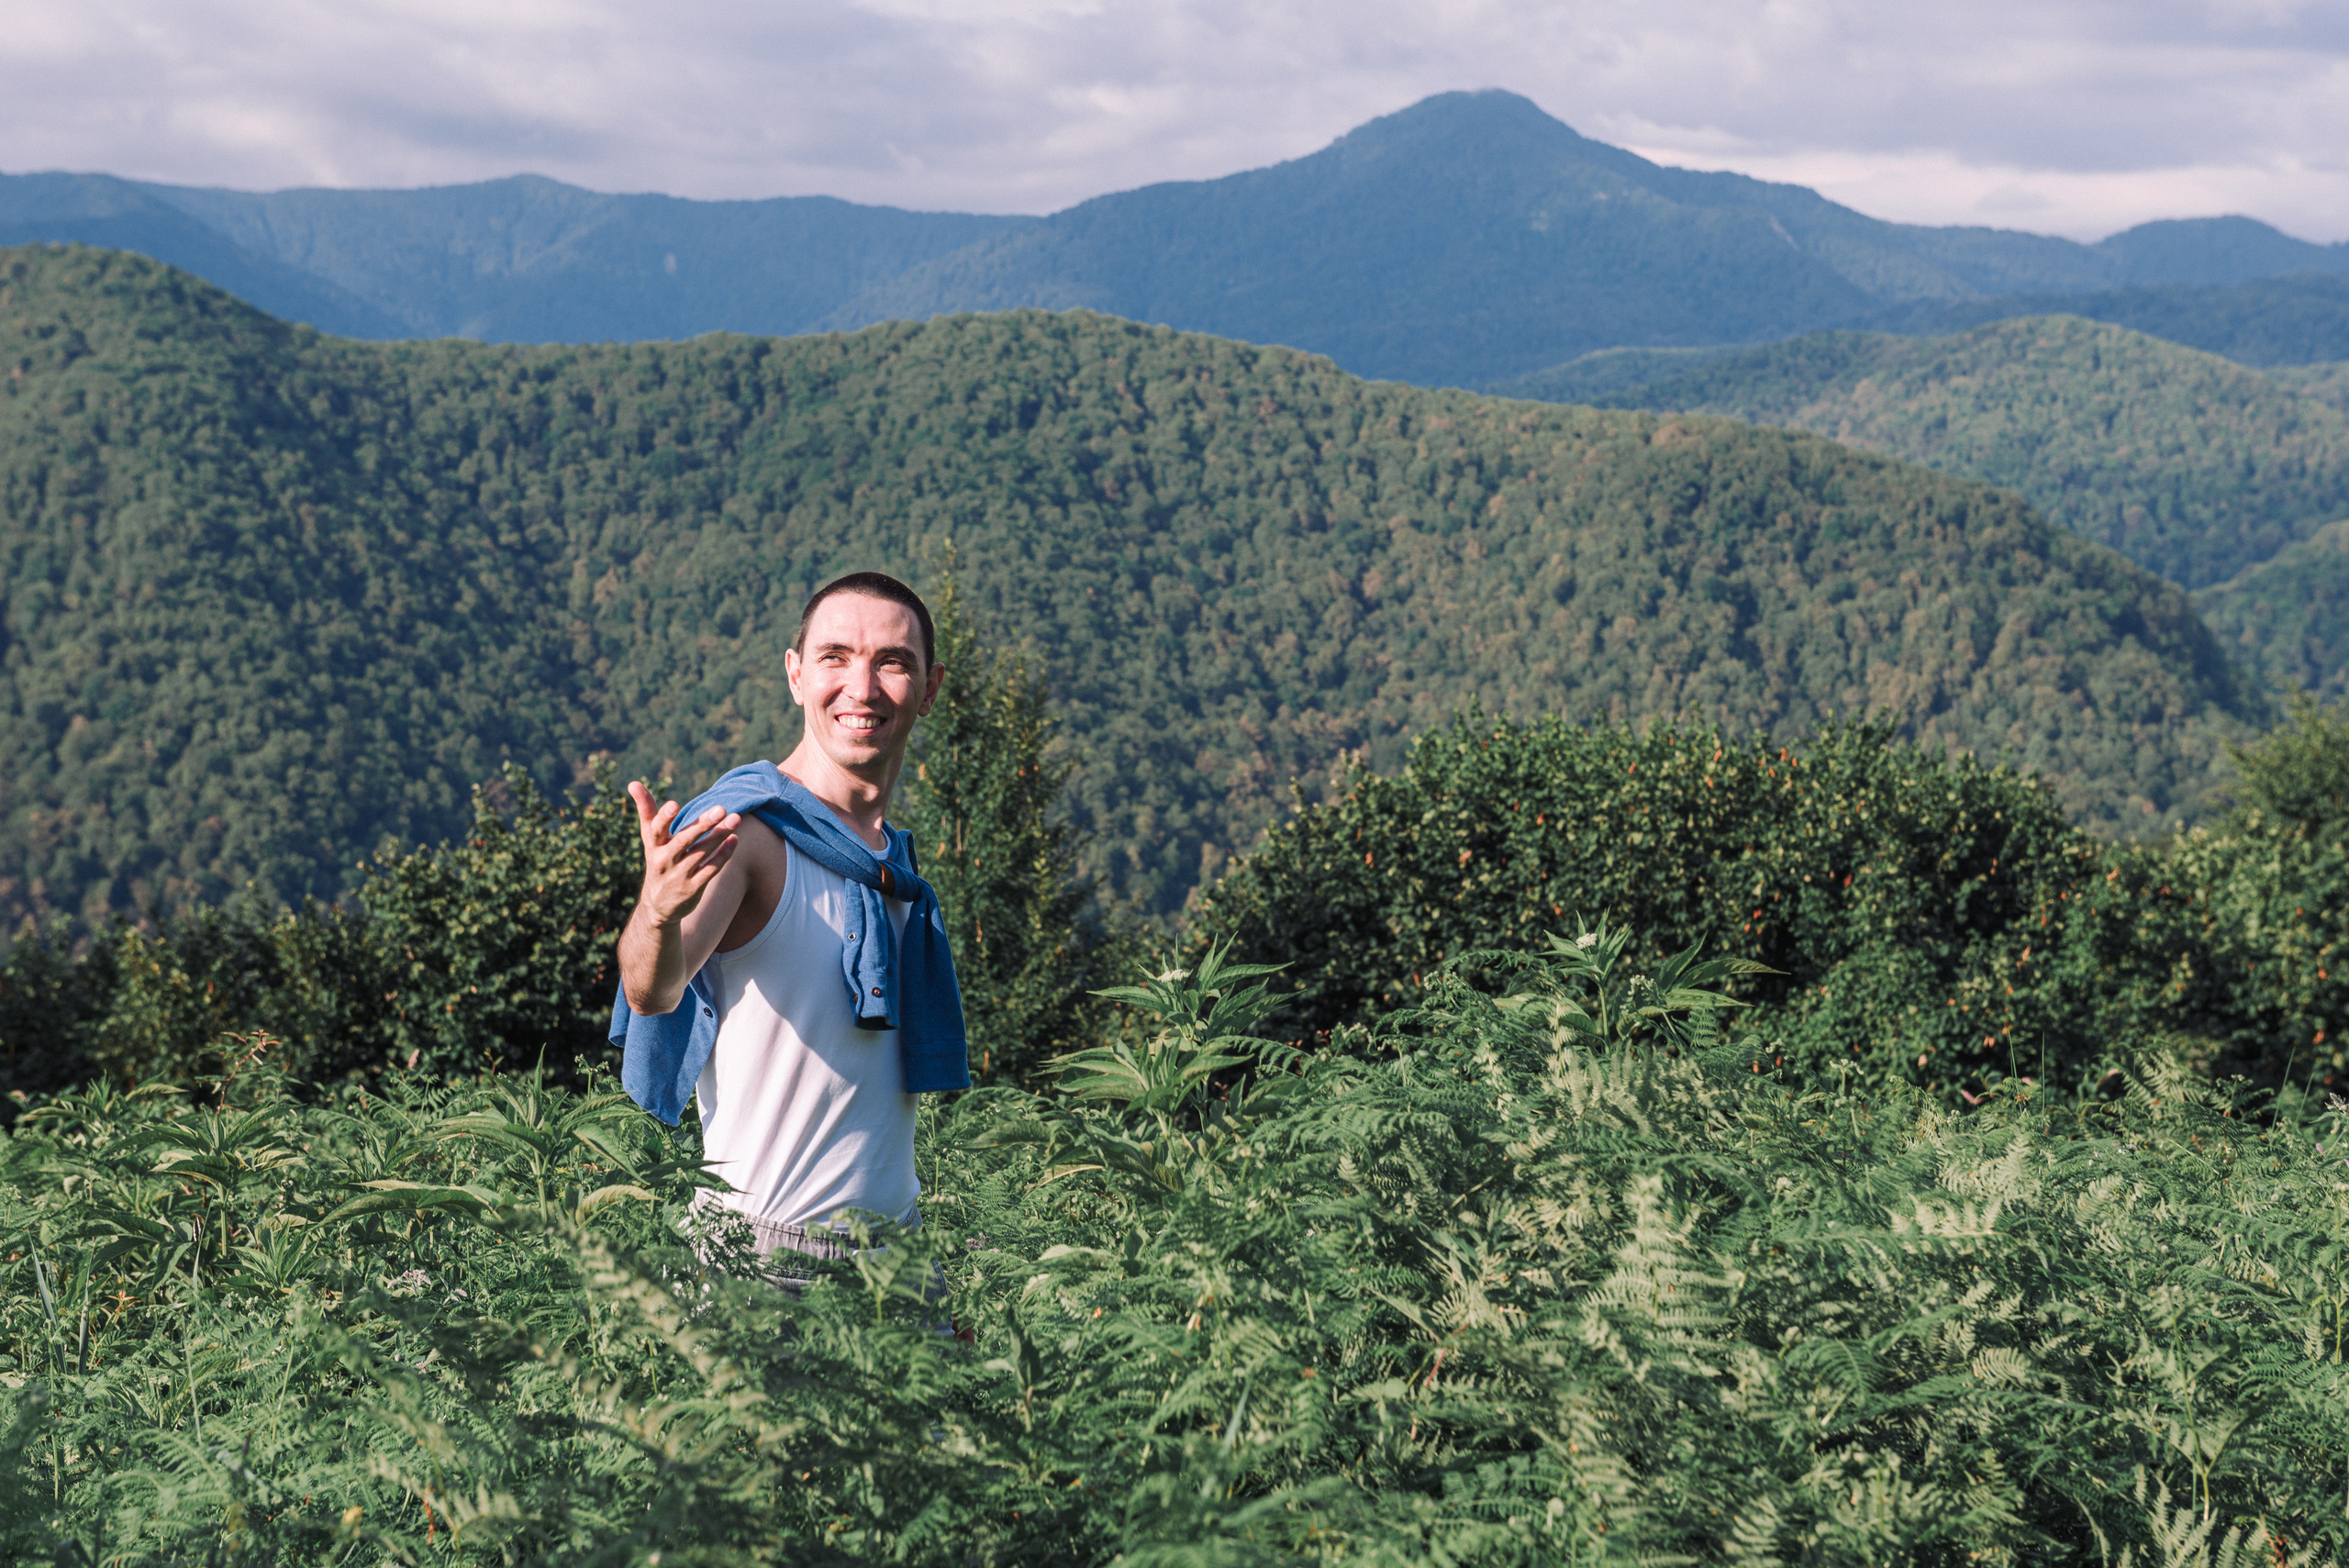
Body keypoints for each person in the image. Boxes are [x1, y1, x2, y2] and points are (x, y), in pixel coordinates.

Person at [607, 571, 969, 1290]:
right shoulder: (748, 838)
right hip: (762, 1269)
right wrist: (657, 912)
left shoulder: (890, 866)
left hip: (898, 1264)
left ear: (929, 689)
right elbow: (654, 988)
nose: (861, 687)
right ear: (796, 675)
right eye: (835, 657)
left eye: (891, 661)